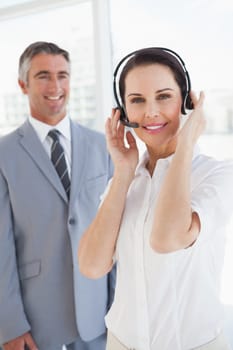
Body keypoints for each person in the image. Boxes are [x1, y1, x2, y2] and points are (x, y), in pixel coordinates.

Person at [78, 47, 233, 350]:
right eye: (137, 100)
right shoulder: (122, 182)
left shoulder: (218, 175)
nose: (150, 111)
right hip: (121, 342)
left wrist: (186, 141)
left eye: (164, 96)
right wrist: (123, 173)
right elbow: (92, 266)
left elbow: (167, 238)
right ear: (123, 113)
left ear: (187, 102)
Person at [0, 41, 115, 350]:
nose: (55, 85)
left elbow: (118, 231)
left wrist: (122, 310)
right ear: (23, 84)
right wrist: (9, 325)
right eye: (43, 76)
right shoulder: (3, 155)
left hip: (100, 315)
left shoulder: (102, 146)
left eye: (62, 75)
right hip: (37, 323)